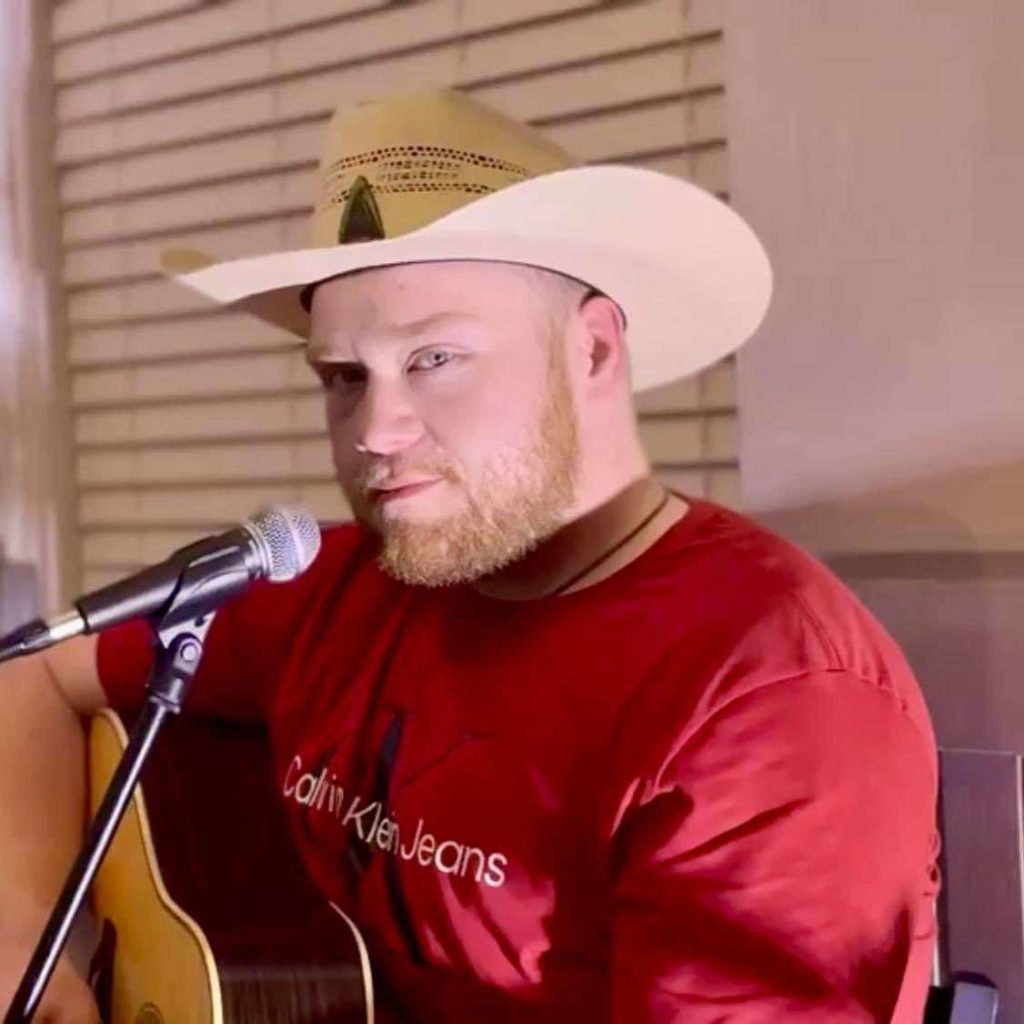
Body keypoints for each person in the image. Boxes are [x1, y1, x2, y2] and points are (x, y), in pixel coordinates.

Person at [1, 88, 938, 1022]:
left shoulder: (772, 699)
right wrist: (22, 943)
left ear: (596, 351)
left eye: (434, 359)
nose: (375, 429)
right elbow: (32, 674)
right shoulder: (332, 589)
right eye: (343, 377)